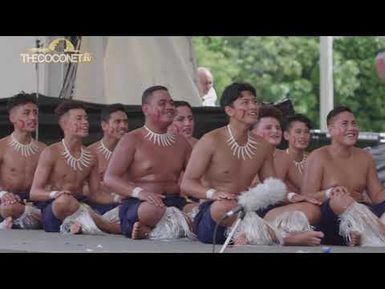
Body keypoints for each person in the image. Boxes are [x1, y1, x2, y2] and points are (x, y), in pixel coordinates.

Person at [181, 82, 282, 245]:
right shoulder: (211, 140)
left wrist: (255, 196)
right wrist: (212, 194)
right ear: (229, 110)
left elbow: (274, 188)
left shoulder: (263, 146)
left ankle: (250, 234)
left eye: (254, 102)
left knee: (305, 210)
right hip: (214, 212)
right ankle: (276, 236)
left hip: (247, 207)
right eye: (245, 102)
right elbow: (187, 184)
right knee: (223, 206)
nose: (253, 107)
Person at [104, 85, 193, 240]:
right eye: (162, 103)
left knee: (200, 212)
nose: (169, 107)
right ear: (146, 109)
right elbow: (110, 178)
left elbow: (195, 176)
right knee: (151, 211)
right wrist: (140, 193)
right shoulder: (131, 139)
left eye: (171, 103)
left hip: (175, 202)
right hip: (140, 204)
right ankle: (170, 227)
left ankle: (151, 231)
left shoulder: (181, 143)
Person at [30, 101, 120, 235]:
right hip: (56, 206)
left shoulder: (91, 155)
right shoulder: (51, 152)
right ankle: (106, 226)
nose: (85, 122)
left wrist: (118, 199)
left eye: (86, 118)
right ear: (64, 124)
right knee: (65, 201)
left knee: (125, 205)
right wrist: (55, 194)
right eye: (79, 118)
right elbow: (34, 192)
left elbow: (96, 194)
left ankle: (80, 225)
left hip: (80, 203)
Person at [302, 106, 385, 246]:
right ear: (330, 129)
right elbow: (307, 196)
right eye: (345, 124)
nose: (352, 128)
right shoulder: (318, 156)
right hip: (332, 219)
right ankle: (377, 232)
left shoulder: (365, 157)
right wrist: (330, 193)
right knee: (339, 199)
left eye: (354, 123)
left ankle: (365, 233)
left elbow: (377, 195)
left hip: (362, 214)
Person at [251, 107, 323, 246]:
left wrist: (327, 192)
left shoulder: (284, 157)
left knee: (312, 208)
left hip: (275, 211)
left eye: (277, 127)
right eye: (268, 127)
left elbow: (306, 189)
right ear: (253, 132)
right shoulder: (247, 154)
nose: (275, 131)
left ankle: (281, 235)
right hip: (251, 210)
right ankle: (283, 237)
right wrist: (291, 196)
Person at [0, 93, 46, 230]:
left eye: (35, 113)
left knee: (61, 208)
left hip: (35, 202)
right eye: (26, 113)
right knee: (8, 208)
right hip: (7, 201)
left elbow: (50, 183)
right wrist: (3, 194)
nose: (33, 117)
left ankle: (16, 221)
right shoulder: (2, 146)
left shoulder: (43, 149)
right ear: (12, 118)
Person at [86, 104, 129, 214]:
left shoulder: (133, 152)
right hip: (98, 206)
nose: (123, 126)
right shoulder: (89, 153)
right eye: (118, 122)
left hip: (127, 203)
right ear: (104, 125)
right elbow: (83, 188)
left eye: (125, 122)